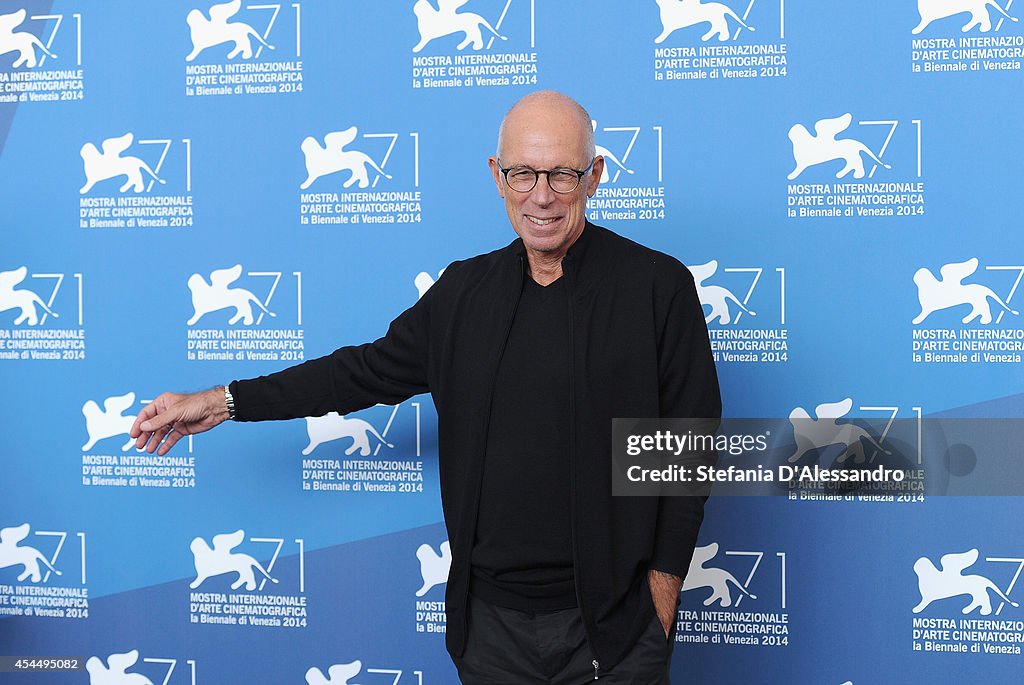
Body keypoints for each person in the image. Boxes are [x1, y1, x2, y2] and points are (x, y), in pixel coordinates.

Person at [131, 90, 720, 684]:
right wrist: (224, 400)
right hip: (489, 633)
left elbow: (692, 454)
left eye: (562, 174)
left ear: (594, 176)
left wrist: (659, 606)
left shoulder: (657, 287)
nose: (541, 195)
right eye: (522, 173)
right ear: (497, 176)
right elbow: (357, 372)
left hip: (614, 631)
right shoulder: (464, 293)